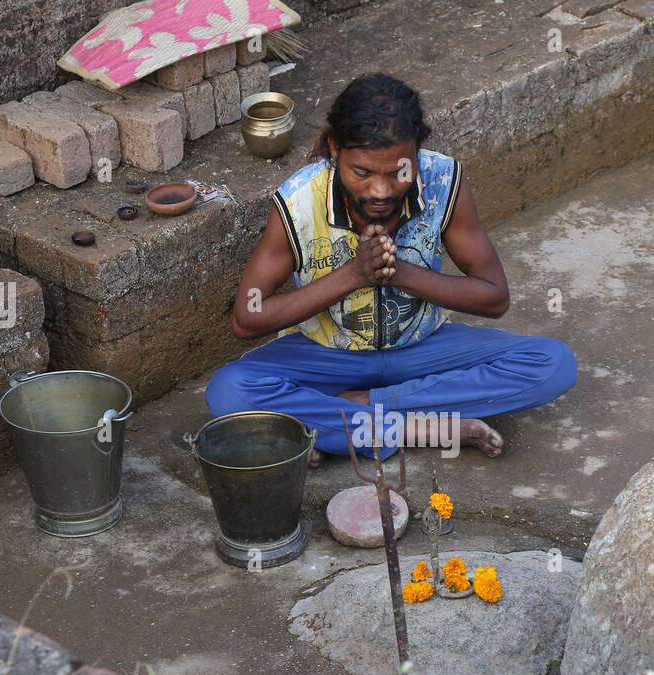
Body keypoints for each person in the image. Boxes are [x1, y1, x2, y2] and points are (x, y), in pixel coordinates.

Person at [205, 72, 576, 464]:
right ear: (335, 149)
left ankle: (349, 415)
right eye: (362, 172)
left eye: (399, 171)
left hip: (422, 349)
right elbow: (247, 318)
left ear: (416, 153)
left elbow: (494, 296)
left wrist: (399, 272)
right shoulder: (298, 201)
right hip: (328, 356)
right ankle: (420, 427)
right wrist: (353, 275)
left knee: (552, 364)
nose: (381, 190)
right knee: (230, 390)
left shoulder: (443, 181)